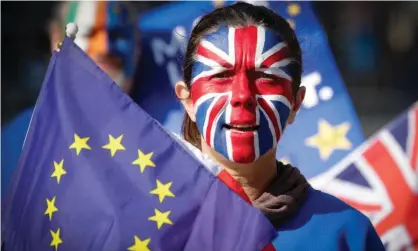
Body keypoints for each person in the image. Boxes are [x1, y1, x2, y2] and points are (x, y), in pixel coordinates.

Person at [173, 2, 386, 250]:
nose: (243, 95)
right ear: (188, 100)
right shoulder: (144, 220)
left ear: (296, 103)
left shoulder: (345, 232)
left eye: (266, 77)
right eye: (221, 76)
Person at [1, 1, 139, 197]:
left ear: (138, 44)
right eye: (89, 33)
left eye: (117, 35)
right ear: (56, 39)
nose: (104, 47)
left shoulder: (171, 136)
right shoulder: (16, 144)